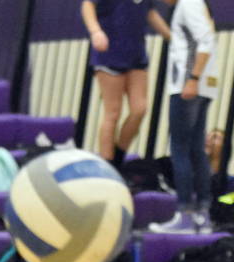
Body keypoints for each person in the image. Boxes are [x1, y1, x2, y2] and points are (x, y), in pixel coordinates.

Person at [147, 0, 216, 234]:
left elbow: (205, 40)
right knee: (196, 150)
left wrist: (193, 79)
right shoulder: (194, 4)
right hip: (202, 86)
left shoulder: (188, 4)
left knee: (180, 149)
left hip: (187, 86)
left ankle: (185, 214)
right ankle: (202, 216)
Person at [80, 0, 170, 167]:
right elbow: (88, 4)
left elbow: (149, 12)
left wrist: (169, 36)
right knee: (112, 112)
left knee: (140, 108)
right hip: (110, 52)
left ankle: (119, 155)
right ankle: (107, 163)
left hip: (135, 54)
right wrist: (95, 31)